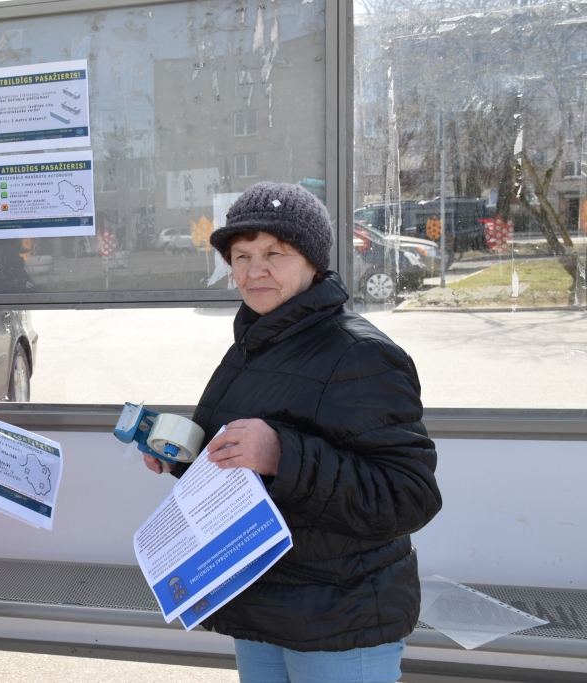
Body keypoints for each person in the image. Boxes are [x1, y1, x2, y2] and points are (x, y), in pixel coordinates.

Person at [143, 182, 442, 683]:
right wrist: (185, 456)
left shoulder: (361, 353)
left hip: (341, 620)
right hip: (263, 602)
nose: (253, 270)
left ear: (313, 263)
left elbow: (408, 497)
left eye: (274, 253)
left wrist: (282, 455)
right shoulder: (254, 344)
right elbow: (243, 461)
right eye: (241, 256)